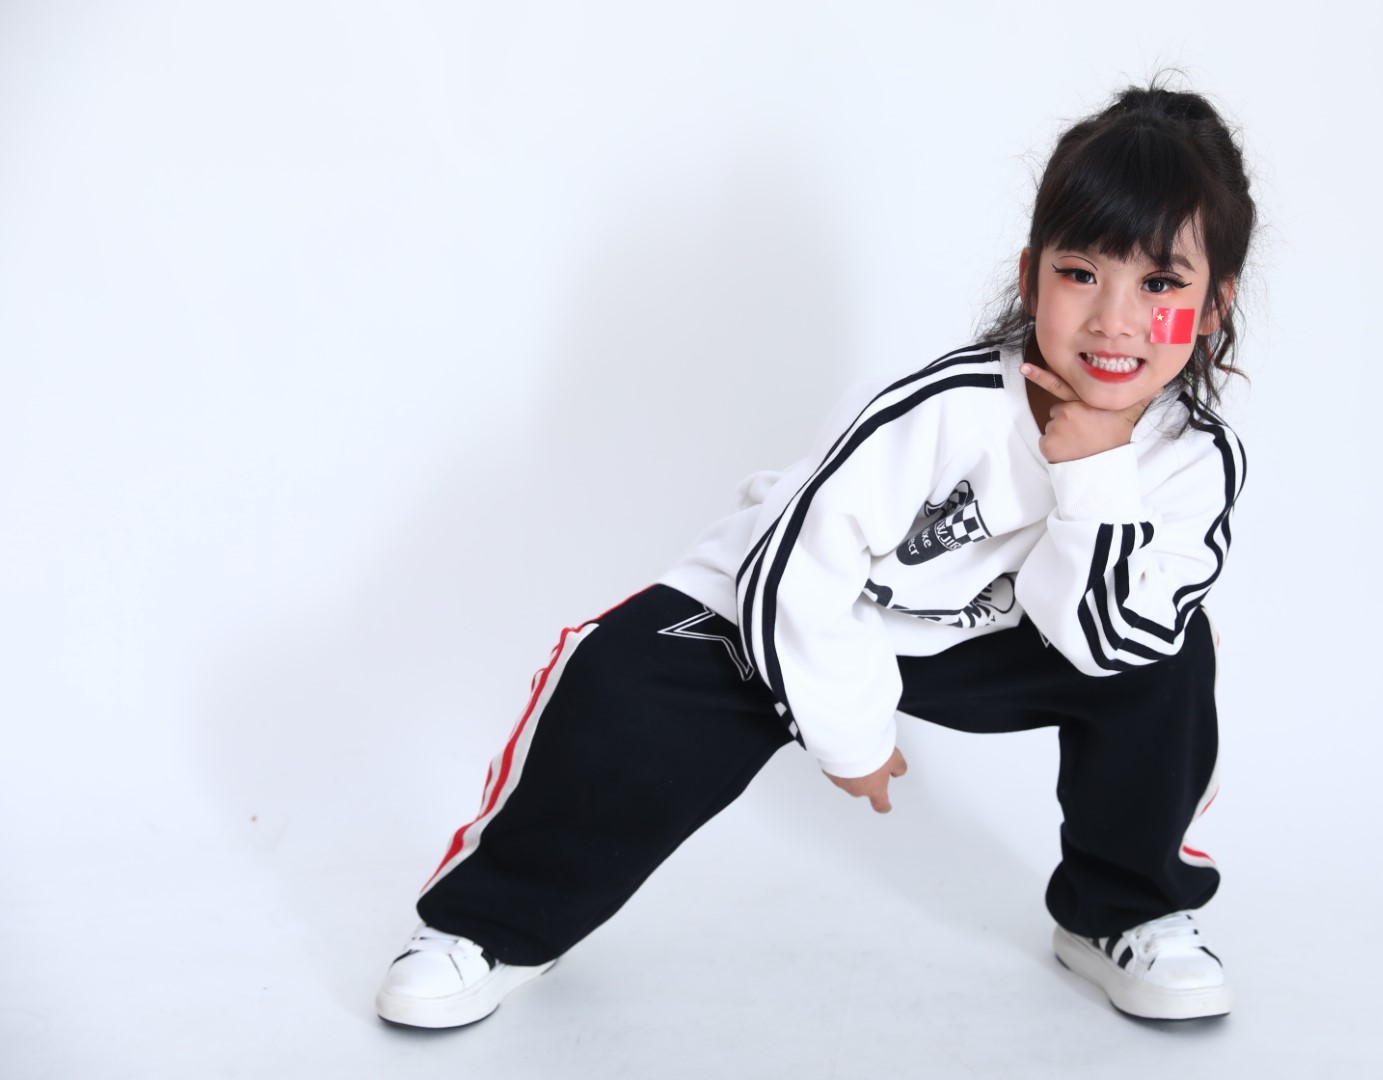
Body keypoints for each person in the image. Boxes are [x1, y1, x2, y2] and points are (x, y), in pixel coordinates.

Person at [375, 80, 1256, 1029]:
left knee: (1169, 656)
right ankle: (491, 926)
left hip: (987, 633)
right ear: (1031, 274)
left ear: (1213, 305)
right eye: (1081, 272)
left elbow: (1110, 643)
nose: (1115, 319)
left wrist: (1092, 474)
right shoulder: (944, 410)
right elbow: (795, 570)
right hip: (784, 602)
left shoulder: (1192, 462)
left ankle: (1122, 912)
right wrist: (852, 736)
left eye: (1160, 285)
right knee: (619, 685)